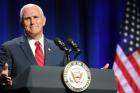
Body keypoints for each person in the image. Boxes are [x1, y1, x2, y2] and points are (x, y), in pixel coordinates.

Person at [0, 3, 109, 87]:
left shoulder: (59, 49)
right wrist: (2, 80)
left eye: (36, 17)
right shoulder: (9, 48)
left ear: (44, 21)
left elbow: (71, 79)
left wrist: (96, 76)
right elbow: (3, 78)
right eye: (27, 19)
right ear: (21, 23)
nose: (32, 22)